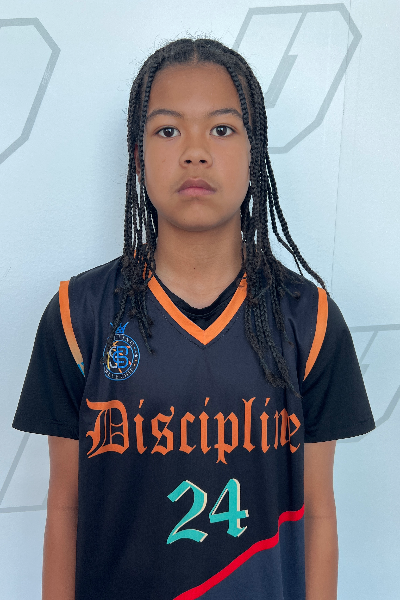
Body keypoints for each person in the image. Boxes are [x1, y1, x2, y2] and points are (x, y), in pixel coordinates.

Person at [12, 37, 375, 600]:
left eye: (222, 129)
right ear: (138, 156)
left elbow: (318, 513)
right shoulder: (77, 315)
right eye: (168, 130)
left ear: (255, 153)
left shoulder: (310, 319)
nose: (195, 152)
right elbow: (64, 508)